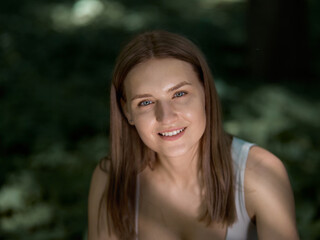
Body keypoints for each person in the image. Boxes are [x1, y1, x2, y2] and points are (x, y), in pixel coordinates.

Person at [87, 30, 299, 240]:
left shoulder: (260, 172)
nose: (166, 117)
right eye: (146, 102)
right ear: (127, 112)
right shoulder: (111, 179)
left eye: (179, 94)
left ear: (206, 93)